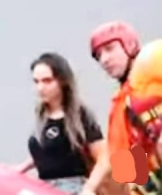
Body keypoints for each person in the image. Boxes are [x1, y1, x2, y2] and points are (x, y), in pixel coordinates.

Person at [15, 53, 108, 195]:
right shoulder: (42, 115)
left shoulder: (79, 116)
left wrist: (89, 188)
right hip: (43, 187)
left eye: (47, 81)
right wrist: (22, 167)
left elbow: (103, 156)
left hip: (72, 187)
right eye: (36, 82)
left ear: (62, 81)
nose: (40, 88)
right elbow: (52, 152)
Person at [90, 21, 162, 195]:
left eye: (110, 49)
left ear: (129, 45)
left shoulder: (150, 84)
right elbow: (125, 167)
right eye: (99, 55)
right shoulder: (120, 104)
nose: (104, 60)